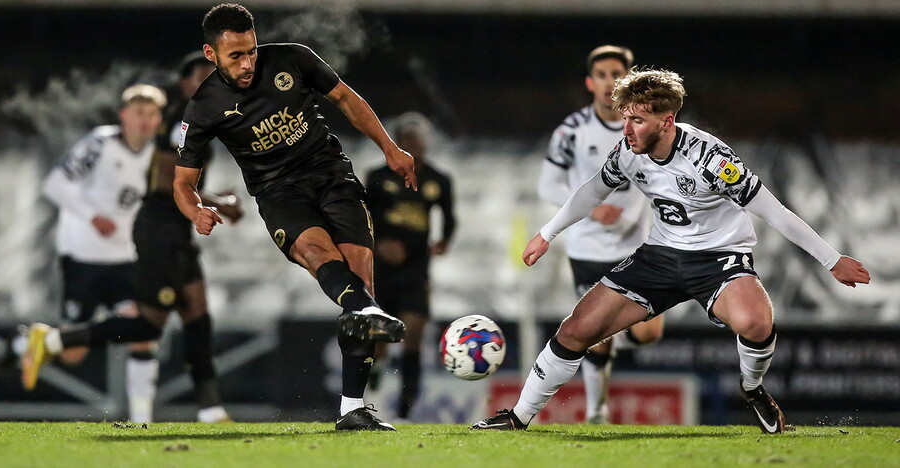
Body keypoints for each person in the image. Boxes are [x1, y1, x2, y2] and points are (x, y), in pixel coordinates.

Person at [472, 68, 870, 434]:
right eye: (624, 117)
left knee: (756, 323)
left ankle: (752, 389)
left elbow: (775, 212)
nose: (626, 129)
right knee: (576, 330)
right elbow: (593, 189)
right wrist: (547, 233)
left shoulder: (711, 160)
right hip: (659, 256)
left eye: (637, 120)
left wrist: (831, 260)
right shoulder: (628, 151)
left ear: (667, 122)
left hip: (719, 259)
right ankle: (518, 417)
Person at [172, 3, 416, 431]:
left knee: (360, 274)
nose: (248, 63)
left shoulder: (292, 59)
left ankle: (351, 409)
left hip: (332, 176)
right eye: (235, 56)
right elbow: (181, 183)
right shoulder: (203, 108)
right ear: (211, 54)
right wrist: (196, 212)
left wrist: (390, 149)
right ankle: (365, 311)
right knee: (319, 254)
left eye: (250, 51)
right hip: (278, 193)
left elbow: (346, 98)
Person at [21, 61, 242, 424]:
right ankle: (53, 342)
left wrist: (215, 200)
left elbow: (174, 181)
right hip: (154, 235)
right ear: (184, 82)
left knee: (197, 317)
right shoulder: (178, 121)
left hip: (167, 236)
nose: (210, 85)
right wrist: (218, 204)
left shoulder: (196, 122)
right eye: (201, 78)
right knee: (148, 327)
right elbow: (168, 184)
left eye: (214, 78)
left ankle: (209, 409)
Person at [18, 84, 164, 422]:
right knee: (73, 355)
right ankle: (37, 341)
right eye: (138, 113)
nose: (144, 120)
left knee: (143, 334)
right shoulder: (101, 143)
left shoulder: (156, 156)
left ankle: (142, 420)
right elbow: (54, 183)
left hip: (124, 259)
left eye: (151, 114)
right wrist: (91, 215)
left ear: (158, 120)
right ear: (124, 115)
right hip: (82, 255)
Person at [537, 45, 662, 424]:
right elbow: (548, 185)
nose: (610, 83)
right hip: (588, 247)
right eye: (603, 76)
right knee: (594, 334)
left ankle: (616, 333)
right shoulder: (572, 130)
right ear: (591, 83)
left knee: (648, 334)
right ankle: (596, 411)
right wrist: (592, 208)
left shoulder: (648, 124)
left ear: (629, 80)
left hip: (639, 245)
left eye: (617, 75)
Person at [365, 112, 456, 420]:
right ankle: (374, 380)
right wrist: (379, 245)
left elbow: (450, 217)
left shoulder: (438, 180)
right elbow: (363, 218)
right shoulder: (377, 176)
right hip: (381, 269)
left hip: (417, 267)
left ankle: (405, 408)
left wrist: (444, 240)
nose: (415, 146)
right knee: (379, 338)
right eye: (408, 141)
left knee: (412, 333)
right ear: (396, 142)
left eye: (419, 140)